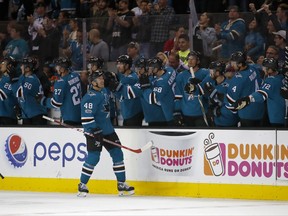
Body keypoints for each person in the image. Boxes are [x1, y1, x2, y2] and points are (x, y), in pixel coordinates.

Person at [78, 71, 135, 197]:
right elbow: (86, 118)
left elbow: (119, 95)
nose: (102, 80)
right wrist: (94, 129)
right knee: (94, 157)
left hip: (108, 130)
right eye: (99, 79)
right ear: (93, 82)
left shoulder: (104, 91)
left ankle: (121, 183)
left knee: (118, 153)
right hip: (94, 132)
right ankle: (82, 184)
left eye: (102, 78)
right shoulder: (90, 97)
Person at [233, 58, 285, 127]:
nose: (263, 69)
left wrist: (248, 99)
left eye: (265, 67)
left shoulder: (271, 81)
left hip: (276, 119)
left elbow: (261, 95)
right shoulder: (281, 77)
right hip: (281, 116)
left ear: (270, 70)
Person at [225, 51, 265, 127]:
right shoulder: (253, 68)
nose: (231, 65)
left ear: (240, 64)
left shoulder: (238, 79)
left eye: (233, 63)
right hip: (260, 110)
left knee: (248, 138)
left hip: (247, 114)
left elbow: (231, 102)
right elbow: (261, 82)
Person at [40, 57, 82, 125]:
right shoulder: (76, 75)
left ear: (62, 69)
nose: (56, 69)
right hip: (79, 114)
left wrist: (43, 101)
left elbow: (56, 103)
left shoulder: (60, 82)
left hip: (69, 117)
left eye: (57, 67)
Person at [173, 51, 210, 127]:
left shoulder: (206, 73)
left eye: (193, 59)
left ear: (198, 61)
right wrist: (177, 111)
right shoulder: (181, 76)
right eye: (188, 59)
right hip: (186, 114)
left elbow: (209, 92)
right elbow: (178, 96)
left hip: (201, 113)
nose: (190, 61)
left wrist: (200, 83)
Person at [139, 56, 176, 126]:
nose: (148, 69)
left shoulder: (162, 82)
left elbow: (152, 99)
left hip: (170, 113)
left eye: (150, 68)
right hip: (173, 108)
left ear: (156, 68)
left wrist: (145, 87)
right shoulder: (170, 70)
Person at [108, 55, 144, 126]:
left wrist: (112, 84)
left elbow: (121, 94)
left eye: (121, 64)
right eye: (118, 64)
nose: (118, 66)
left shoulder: (131, 78)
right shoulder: (124, 76)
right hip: (129, 113)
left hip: (133, 114)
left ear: (127, 65)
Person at [16, 56, 47, 125]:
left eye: (22, 65)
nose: (20, 67)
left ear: (27, 68)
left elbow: (20, 92)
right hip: (27, 115)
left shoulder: (32, 79)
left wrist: (12, 81)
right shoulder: (22, 77)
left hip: (36, 114)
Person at [0, 56, 18, 125]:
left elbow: (4, 97)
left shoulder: (14, 81)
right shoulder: (3, 78)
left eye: (3, 63)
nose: (1, 65)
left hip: (7, 116)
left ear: (9, 66)